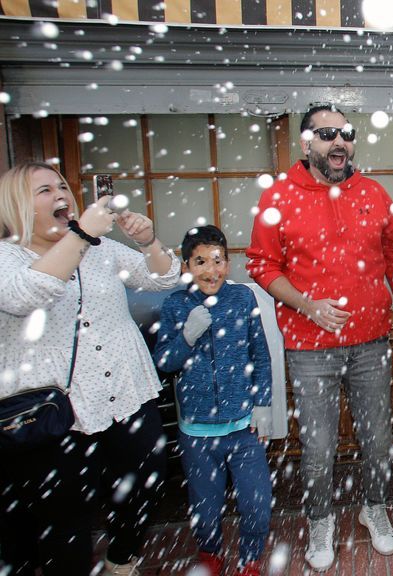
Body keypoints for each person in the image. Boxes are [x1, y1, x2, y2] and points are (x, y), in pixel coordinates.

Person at [246, 104, 393, 571]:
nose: (338, 141)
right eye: (326, 134)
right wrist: (307, 305)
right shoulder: (280, 196)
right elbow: (262, 265)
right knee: (319, 449)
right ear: (306, 143)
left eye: (345, 132)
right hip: (309, 348)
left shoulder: (374, 193)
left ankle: (373, 507)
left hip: (371, 343)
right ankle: (319, 517)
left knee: (379, 439)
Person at [0, 162, 180, 576]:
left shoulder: (101, 251)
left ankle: (122, 560)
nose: (60, 194)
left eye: (63, 185)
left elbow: (163, 276)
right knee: (63, 523)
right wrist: (81, 235)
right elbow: (30, 293)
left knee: (143, 486)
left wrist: (148, 240)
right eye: (44, 190)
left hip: (127, 394)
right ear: (18, 205)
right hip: (54, 414)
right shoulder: (9, 257)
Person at [154, 225, 273, 576]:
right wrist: (186, 336)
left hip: (243, 428)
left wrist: (263, 406)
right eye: (201, 261)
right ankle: (210, 552)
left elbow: (261, 356)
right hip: (197, 433)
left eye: (218, 261)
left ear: (228, 262)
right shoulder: (175, 305)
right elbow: (165, 363)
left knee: (257, 503)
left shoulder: (242, 298)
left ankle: (250, 556)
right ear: (186, 265)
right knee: (205, 508)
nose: (211, 270)